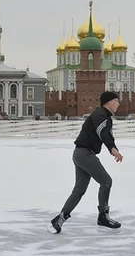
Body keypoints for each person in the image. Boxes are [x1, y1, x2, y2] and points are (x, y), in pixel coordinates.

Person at [49, 91, 124, 234]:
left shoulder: (102, 116)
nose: (118, 104)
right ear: (108, 102)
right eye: (116, 101)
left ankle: (59, 219)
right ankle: (103, 217)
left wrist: (112, 146)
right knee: (106, 181)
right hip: (85, 154)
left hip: (80, 154)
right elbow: (103, 133)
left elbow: (107, 134)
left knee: (79, 191)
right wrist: (112, 149)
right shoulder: (101, 115)